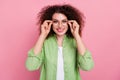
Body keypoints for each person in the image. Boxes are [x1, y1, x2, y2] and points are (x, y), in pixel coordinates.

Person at [25, 4, 94, 80]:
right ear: (50, 23)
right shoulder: (45, 43)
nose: (60, 26)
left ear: (69, 23)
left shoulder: (75, 42)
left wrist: (76, 35)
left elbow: (87, 66)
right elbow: (31, 66)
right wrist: (43, 35)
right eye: (55, 22)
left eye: (64, 21)